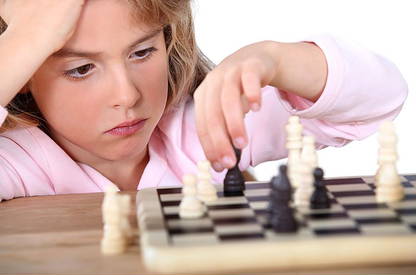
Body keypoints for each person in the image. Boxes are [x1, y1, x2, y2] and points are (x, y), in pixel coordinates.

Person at [0, 0, 408, 201]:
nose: (127, 95)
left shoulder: (204, 127)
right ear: (23, 76)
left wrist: (273, 57)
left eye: (142, 52)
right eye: (81, 69)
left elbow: (379, 100)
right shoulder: (17, 165)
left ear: (168, 41)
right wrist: (21, 42)